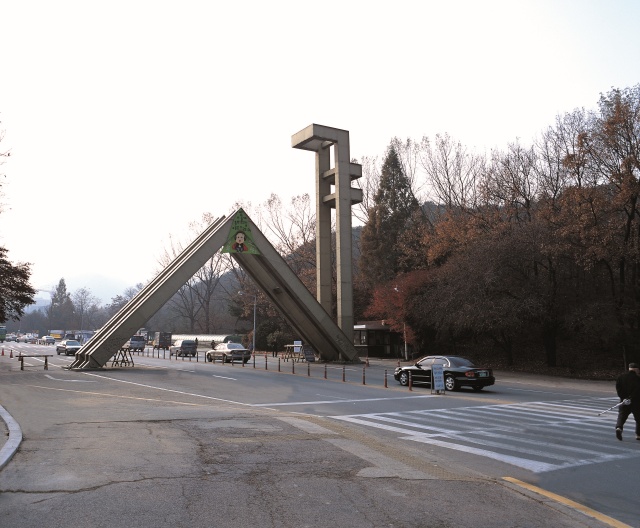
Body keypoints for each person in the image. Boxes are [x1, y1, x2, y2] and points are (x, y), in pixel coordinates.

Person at [615, 362, 640, 440]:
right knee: (639, 418)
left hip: (624, 401)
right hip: (636, 402)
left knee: (622, 416)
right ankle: (638, 435)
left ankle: (619, 428)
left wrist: (623, 397)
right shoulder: (638, 379)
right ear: (636, 370)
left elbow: (618, 389)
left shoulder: (620, 377)